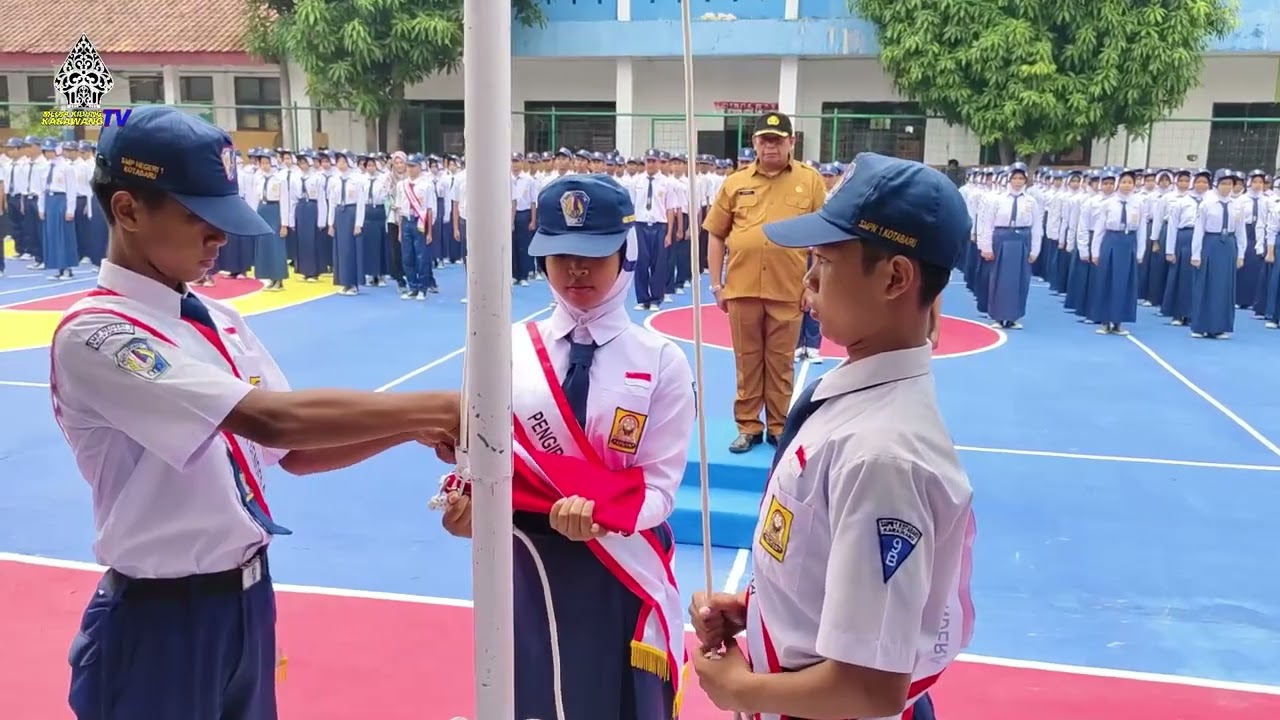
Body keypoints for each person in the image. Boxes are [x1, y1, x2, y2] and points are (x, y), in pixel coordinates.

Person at [50, 105, 461, 720]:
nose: (220, 239)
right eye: (199, 219)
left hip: (244, 600)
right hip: (160, 622)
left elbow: (293, 453)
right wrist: (450, 404)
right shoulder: (99, 335)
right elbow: (268, 419)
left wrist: (413, 427)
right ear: (129, 210)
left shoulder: (217, 320)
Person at [688, 153, 976, 720]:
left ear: (895, 277)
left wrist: (738, 690)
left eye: (823, 260)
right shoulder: (846, 392)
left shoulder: (882, 456)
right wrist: (762, 607)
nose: (808, 281)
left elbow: (869, 689)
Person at [437, 174, 695, 720]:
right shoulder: (502, 350)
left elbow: (661, 486)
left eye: (593, 254)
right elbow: (474, 462)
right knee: (533, 698)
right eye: (560, 254)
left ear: (626, 251)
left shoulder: (661, 361)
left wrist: (603, 516)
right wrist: (464, 507)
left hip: (616, 570)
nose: (576, 270)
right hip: (526, 567)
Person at [703, 111, 827, 454]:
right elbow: (716, 234)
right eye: (763, 140)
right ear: (755, 144)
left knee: (781, 361)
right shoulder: (735, 182)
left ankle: (779, 425)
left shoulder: (811, 181)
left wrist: (812, 284)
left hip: (788, 288)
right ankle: (748, 427)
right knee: (746, 360)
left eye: (777, 139)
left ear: (791, 142)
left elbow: (822, 237)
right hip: (742, 288)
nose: (770, 146)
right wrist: (716, 284)